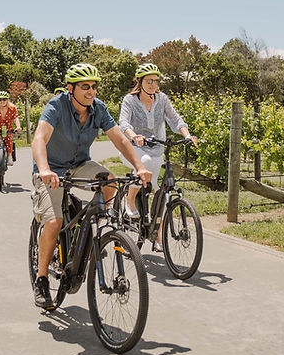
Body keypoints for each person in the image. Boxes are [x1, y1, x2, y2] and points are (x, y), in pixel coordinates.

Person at [30, 63, 153, 310]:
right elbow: (40, 138)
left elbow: (119, 138)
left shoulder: (98, 109)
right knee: (53, 223)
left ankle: (98, 231)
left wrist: (139, 166)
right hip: (52, 169)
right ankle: (42, 279)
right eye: (85, 86)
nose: (91, 91)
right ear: (71, 88)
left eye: (94, 86)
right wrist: (44, 169)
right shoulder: (56, 106)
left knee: (110, 182)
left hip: (79, 164)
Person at [117, 63, 198, 250]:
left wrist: (187, 135)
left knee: (161, 194)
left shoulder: (162, 99)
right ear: (140, 82)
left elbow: (175, 120)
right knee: (143, 163)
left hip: (156, 149)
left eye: (155, 80)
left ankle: (158, 235)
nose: (153, 84)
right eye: (149, 81)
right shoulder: (130, 100)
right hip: (132, 148)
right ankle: (129, 200)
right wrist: (133, 136)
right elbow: (123, 123)